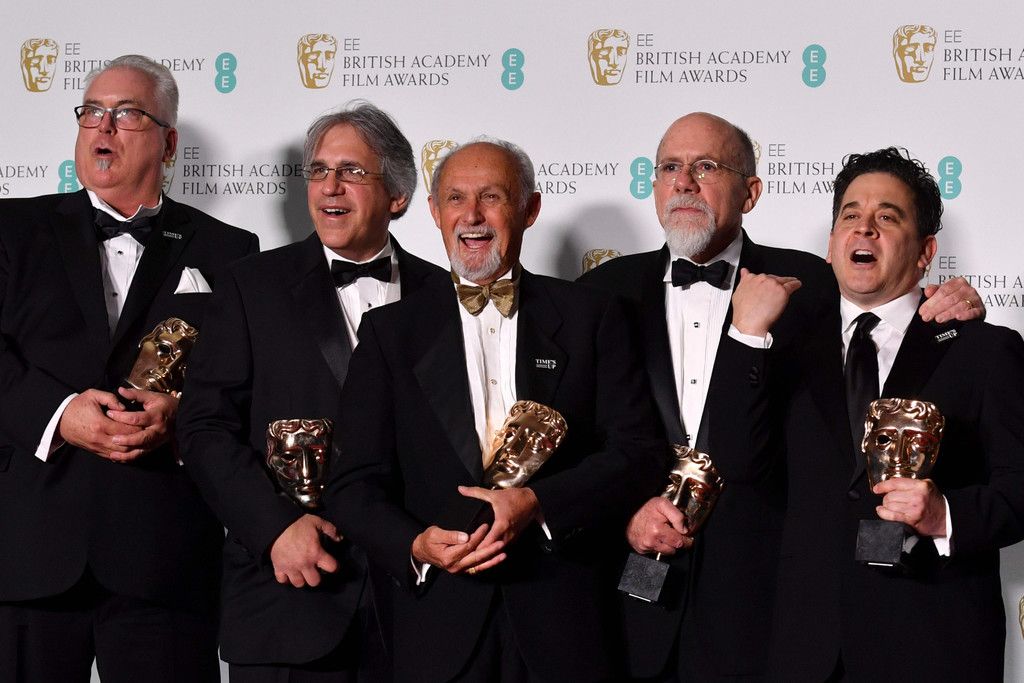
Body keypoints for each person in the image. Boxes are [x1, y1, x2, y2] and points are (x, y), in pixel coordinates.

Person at [579, 113, 983, 681]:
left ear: (751, 192)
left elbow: (890, 315)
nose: (684, 182)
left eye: (705, 167)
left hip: (766, 602)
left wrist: (953, 301)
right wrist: (625, 514)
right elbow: (580, 442)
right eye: (669, 167)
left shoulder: (815, 284)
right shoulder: (599, 293)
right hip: (632, 587)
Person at [325, 138, 666, 682]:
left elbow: (637, 452)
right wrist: (416, 545)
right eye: (456, 198)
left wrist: (538, 503)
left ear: (529, 209)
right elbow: (353, 483)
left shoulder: (592, 317)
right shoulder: (390, 334)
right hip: (438, 624)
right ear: (434, 211)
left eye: (492, 196)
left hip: (565, 618)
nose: (472, 216)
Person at [719, 147, 1024, 681]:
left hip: (934, 647)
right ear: (831, 243)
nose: (865, 228)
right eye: (851, 215)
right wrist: (746, 339)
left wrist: (945, 515)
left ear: (926, 251)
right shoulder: (778, 345)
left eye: (888, 217)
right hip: (804, 652)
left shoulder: (983, 351)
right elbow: (736, 465)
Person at [0, 54, 258, 682]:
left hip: (163, 557)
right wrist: (60, 416)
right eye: (91, 112)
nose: (103, 127)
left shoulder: (231, 251)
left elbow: (247, 384)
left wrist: (184, 414)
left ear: (168, 144)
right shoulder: (11, 228)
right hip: (29, 551)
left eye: (126, 114)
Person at [178, 102, 444, 682]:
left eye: (351, 171)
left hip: (421, 607)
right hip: (289, 597)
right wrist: (273, 527)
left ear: (398, 195)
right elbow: (203, 428)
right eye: (319, 170)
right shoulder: (251, 285)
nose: (330, 186)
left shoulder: (444, 295)